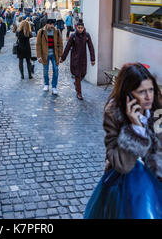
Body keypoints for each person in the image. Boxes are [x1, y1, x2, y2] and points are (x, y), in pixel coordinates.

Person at [85, 63, 162, 219]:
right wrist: (135, 130)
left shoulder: (157, 110)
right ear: (129, 95)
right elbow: (122, 165)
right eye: (141, 92)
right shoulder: (114, 113)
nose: (148, 97)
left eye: (151, 90)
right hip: (127, 189)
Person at [61, 19, 95, 100]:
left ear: (83, 28)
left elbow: (91, 47)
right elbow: (67, 47)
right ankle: (79, 93)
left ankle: (76, 83)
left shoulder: (87, 35)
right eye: (78, 28)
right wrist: (63, 58)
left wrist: (92, 59)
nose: (80, 29)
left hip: (83, 58)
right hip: (75, 59)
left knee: (83, 73)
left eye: (81, 28)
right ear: (76, 28)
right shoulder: (73, 36)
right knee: (77, 75)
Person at [36, 18, 63, 95]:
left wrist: (60, 55)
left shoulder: (57, 32)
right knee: (45, 70)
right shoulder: (41, 32)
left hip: (55, 55)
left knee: (56, 69)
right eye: (50, 24)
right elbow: (38, 45)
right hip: (45, 54)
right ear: (47, 24)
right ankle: (46, 84)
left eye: (53, 24)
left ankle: (54, 87)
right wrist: (39, 56)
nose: (52, 26)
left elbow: (60, 44)